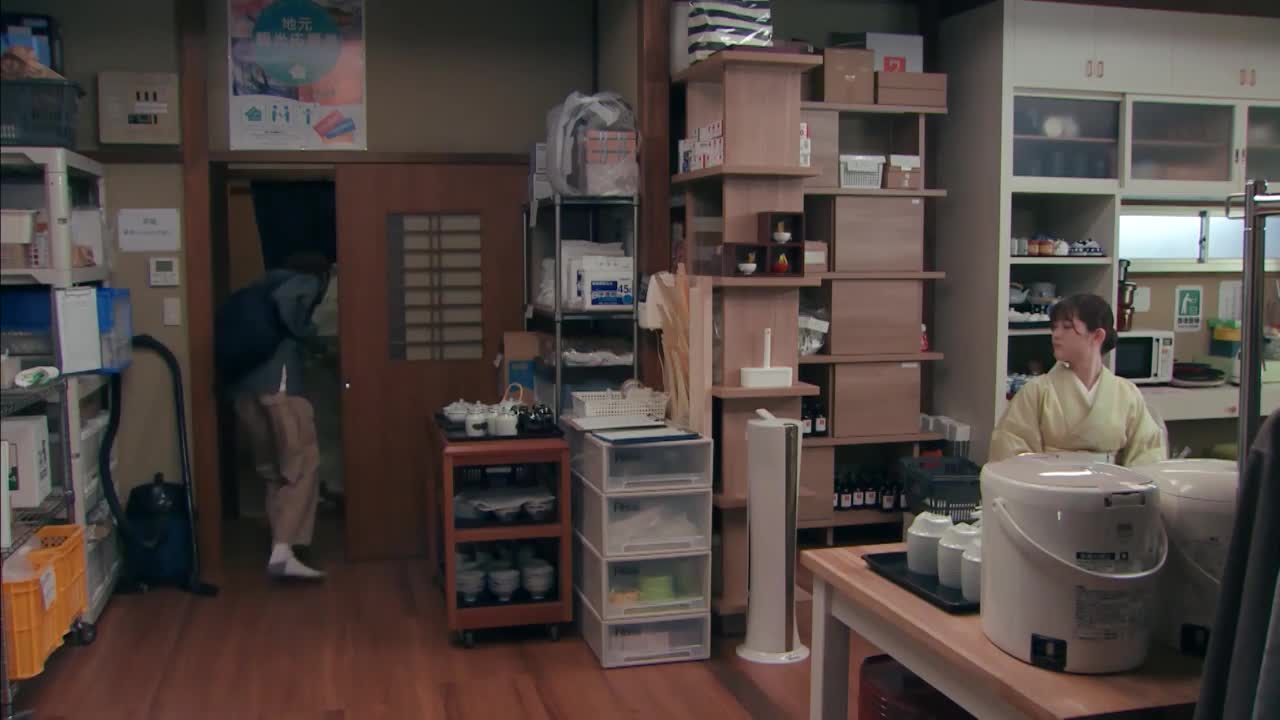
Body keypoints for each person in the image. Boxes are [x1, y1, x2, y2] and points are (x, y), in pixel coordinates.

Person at [225, 253, 331, 580]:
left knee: (271, 470)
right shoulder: (303, 282)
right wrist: (310, 336)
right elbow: (289, 308)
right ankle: (284, 551)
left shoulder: (258, 287)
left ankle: (279, 544)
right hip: (279, 388)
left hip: (245, 391)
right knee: (302, 465)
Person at [990, 293, 1166, 467]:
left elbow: (1148, 453)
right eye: (1054, 327)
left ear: (1097, 336)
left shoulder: (1126, 394)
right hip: (1049, 483)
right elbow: (1010, 450)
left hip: (1112, 484)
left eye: (1067, 327)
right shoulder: (1037, 391)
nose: (1056, 334)